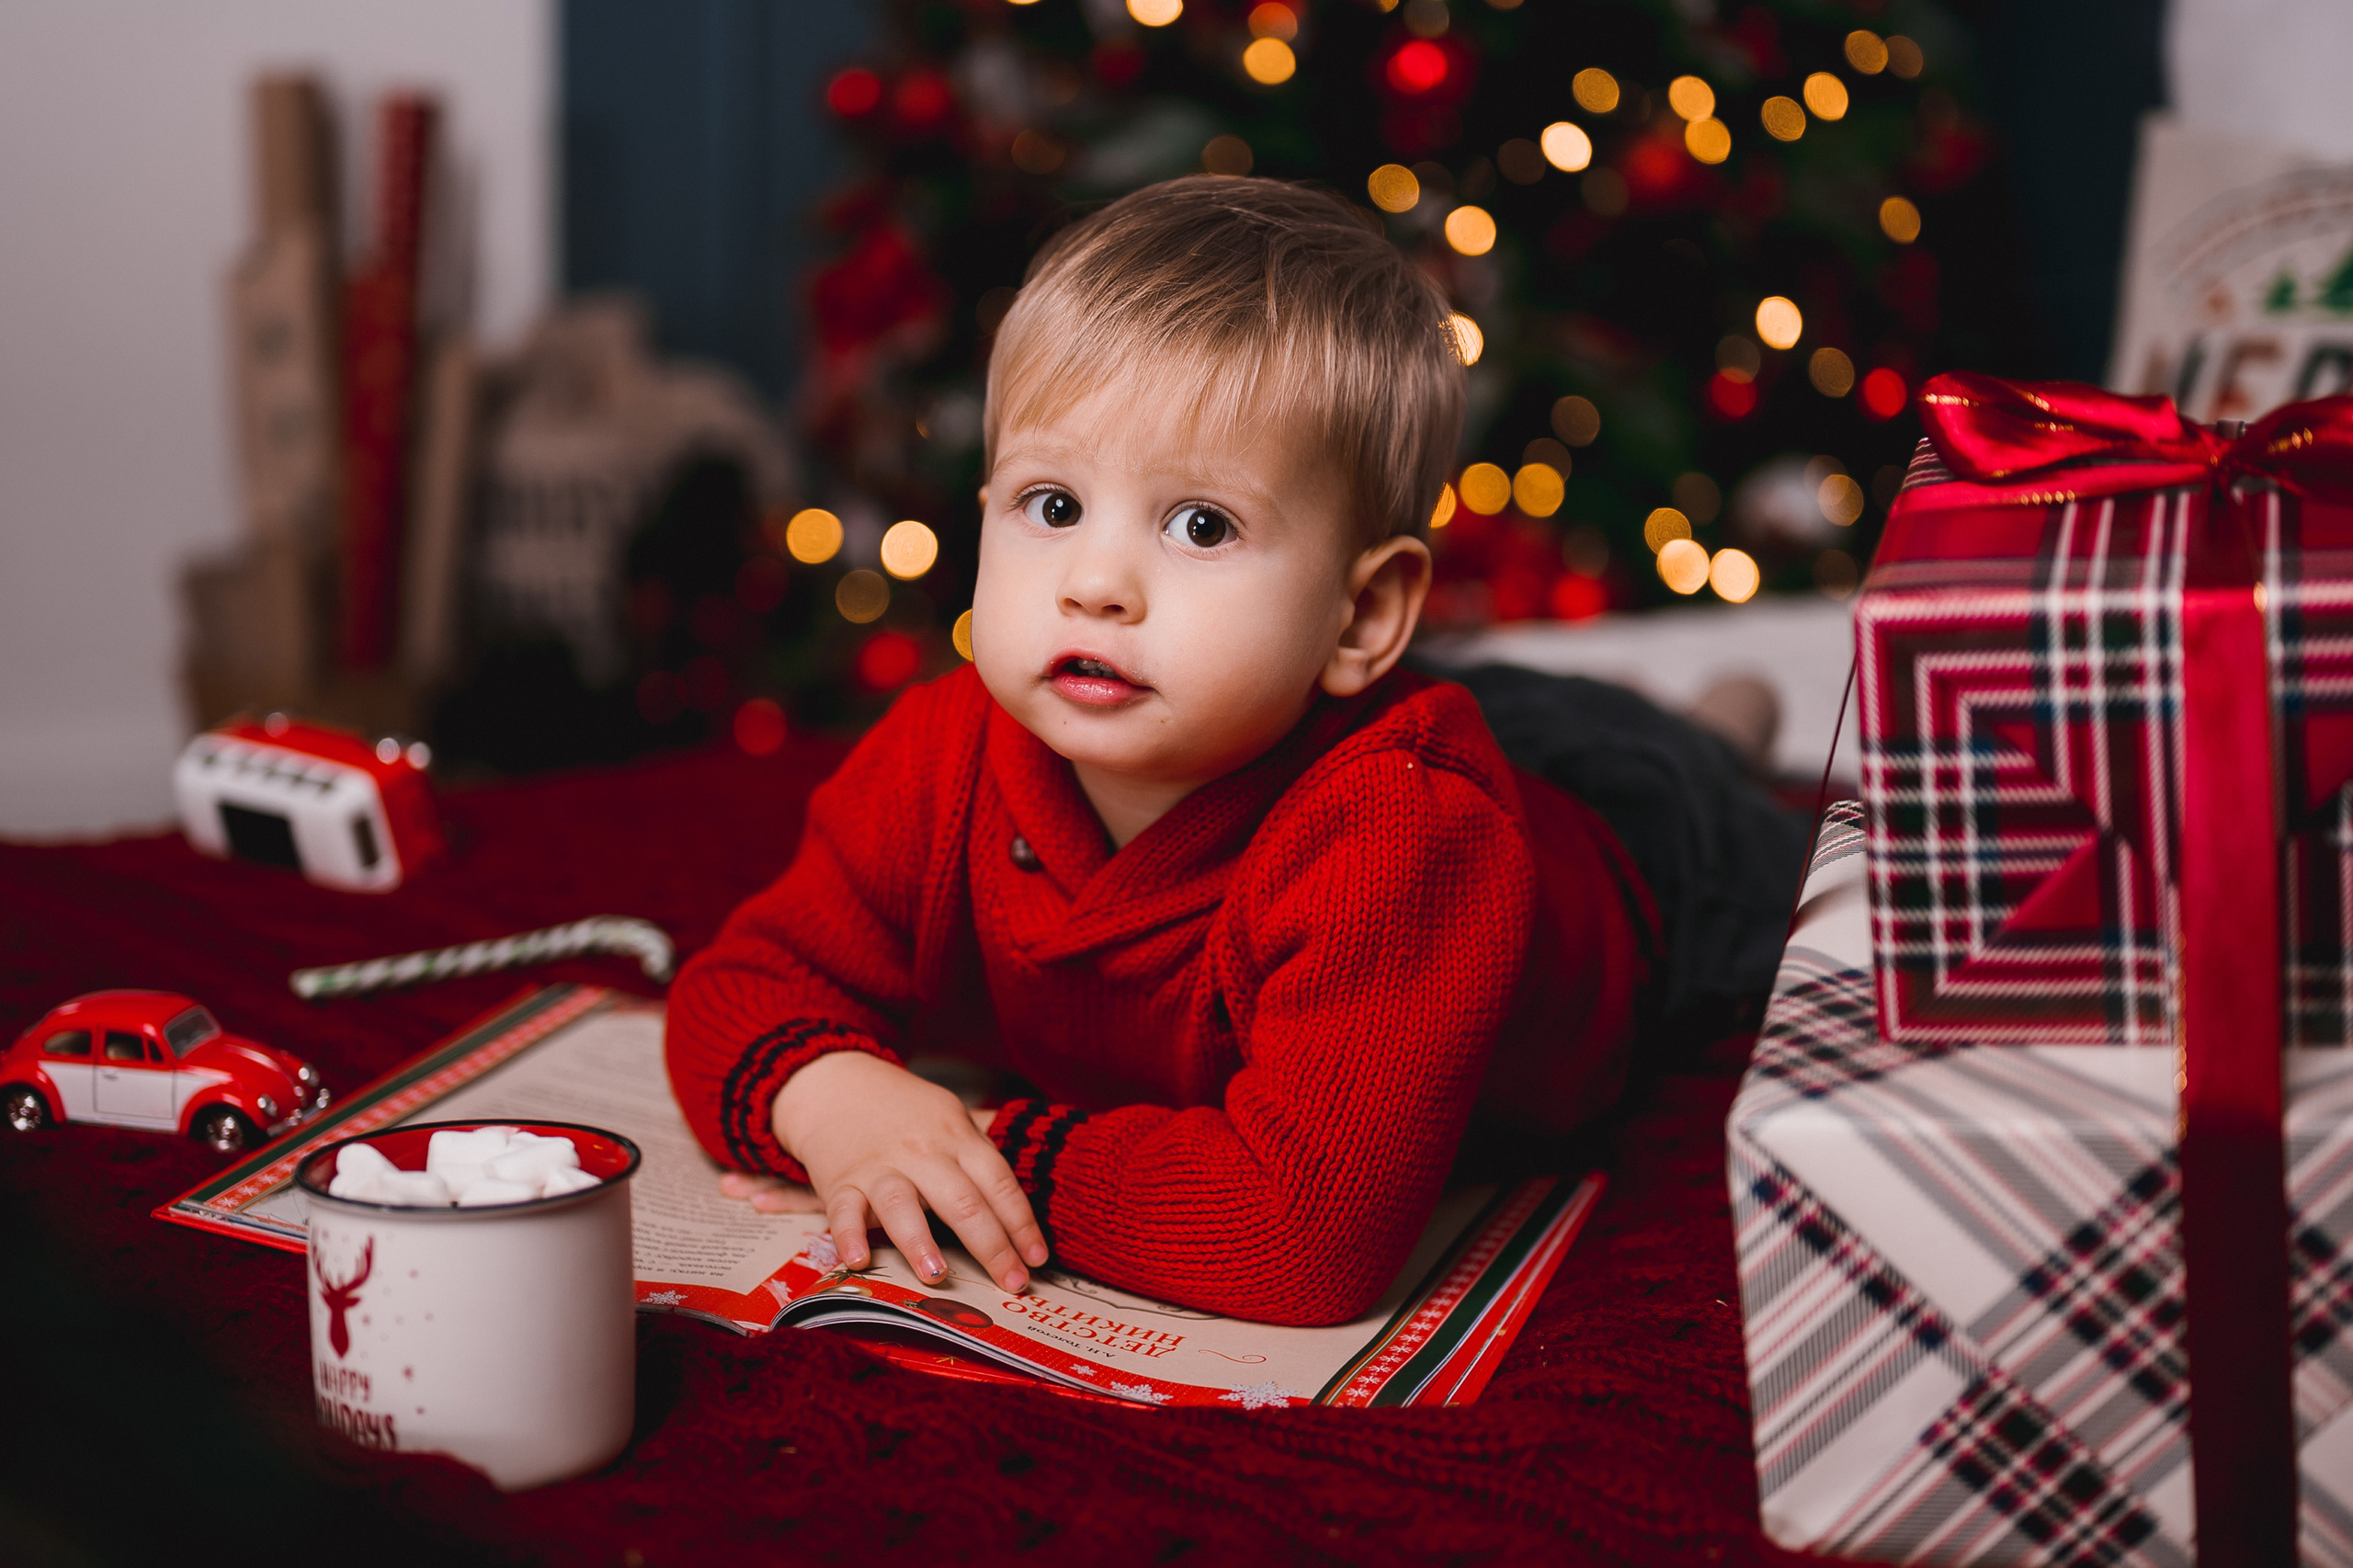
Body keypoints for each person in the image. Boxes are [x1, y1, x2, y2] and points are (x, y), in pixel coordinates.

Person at [665, 176, 1771, 1327]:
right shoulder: (944, 751)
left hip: (1636, 881)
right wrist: (832, 1097)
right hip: (1377, 708)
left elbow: (1299, 1237)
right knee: (1528, 712)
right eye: (1051, 506)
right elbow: (738, 986)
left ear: (1359, 613)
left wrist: (982, 1154)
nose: (1094, 583)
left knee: (1691, 790)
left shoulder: (1408, 837)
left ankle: (1716, 733)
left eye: (1201, 525)